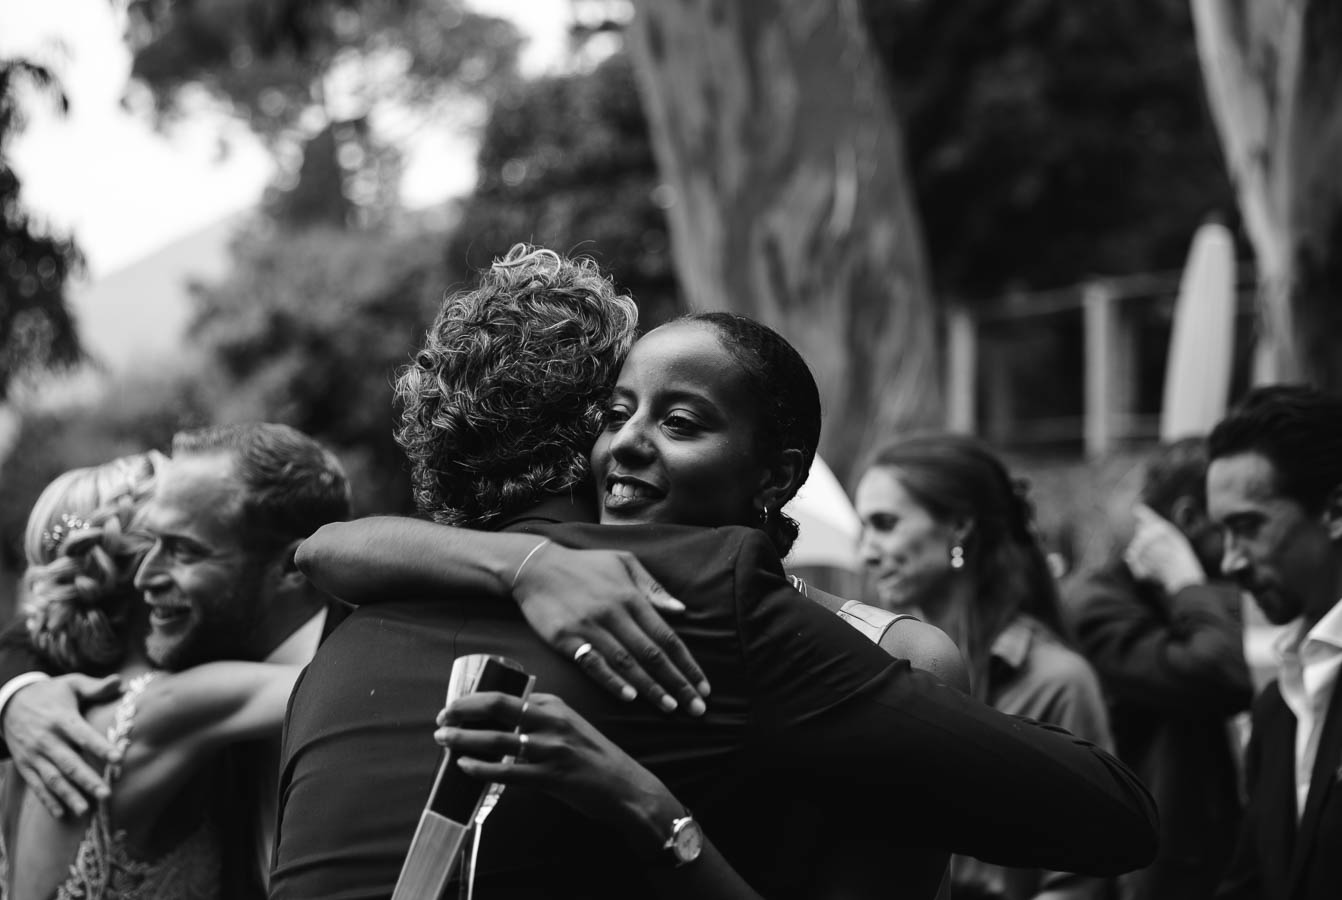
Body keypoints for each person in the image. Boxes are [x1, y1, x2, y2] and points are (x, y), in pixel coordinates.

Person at [273, 245, 1157, 900]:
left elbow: (318, 551)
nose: (627, 443)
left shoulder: (353, 629)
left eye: (680, 420)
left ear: (778, 474)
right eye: (616, 412)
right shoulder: (699, 593)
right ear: (585, 431)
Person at [0, 422, 353, 898]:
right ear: (123, 574)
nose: (151, 573)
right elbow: (350, 686)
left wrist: (13, 692)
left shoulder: (58, 702)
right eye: (155, 543)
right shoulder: (175, 703)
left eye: (181, 546)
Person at [854, 432, 1115, 900]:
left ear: (958, 528)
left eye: (885, 524)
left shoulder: (1057, 682)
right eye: (863, 529)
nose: (866, 552)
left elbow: (1082, 881)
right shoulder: (871, 663)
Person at [1066, 438, 1251, 900]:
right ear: (1187, 517)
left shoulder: (1175, 599)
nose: (1236, 553)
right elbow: (1224, 675)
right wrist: (1185, 579)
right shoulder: (1103, 607)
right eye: (1226, 528)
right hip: (1152, 877)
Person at [1208, 386, 1342, 900]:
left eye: (1247, 527)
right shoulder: (1277, 707)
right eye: (1223, 532)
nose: (1230, 561)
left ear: (1333, 512)